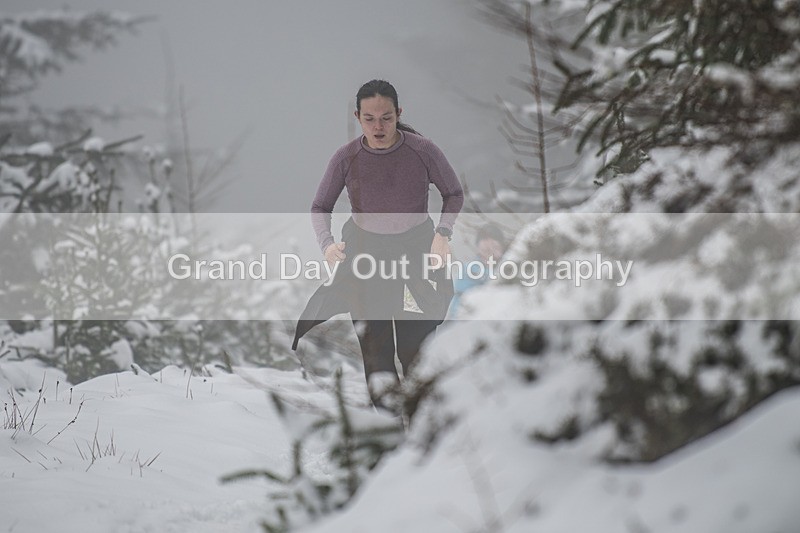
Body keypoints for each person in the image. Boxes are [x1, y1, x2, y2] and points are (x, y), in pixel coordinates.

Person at [292, 79, 464, 411]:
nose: (378, 126)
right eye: (369, 118)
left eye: (386, 117)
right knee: (377, 354)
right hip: (366, 260)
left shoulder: (423, 151)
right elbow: (320, 207)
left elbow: (453, 193)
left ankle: (424, 432)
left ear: (398, 114)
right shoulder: (347, 158)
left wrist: (443, 233)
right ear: (358, 117)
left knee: (415, 352)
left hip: (416, 257)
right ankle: (387, 439)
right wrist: (327, 245)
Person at [447, 223, 508, 318]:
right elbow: (459, 305)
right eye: (484, 240)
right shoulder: (469, 270)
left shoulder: (510, 268)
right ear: (478, 247)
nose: (489, 245)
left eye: (493, 241)